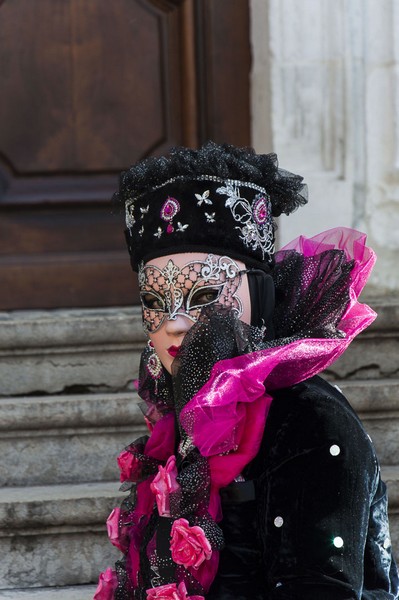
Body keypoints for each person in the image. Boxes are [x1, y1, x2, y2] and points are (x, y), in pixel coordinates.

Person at [94, 142, 399, 599]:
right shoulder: (184, 418)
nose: (174, 325)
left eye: (203, 295)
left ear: (258, 296)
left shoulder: (310, 421)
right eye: (155, 303)